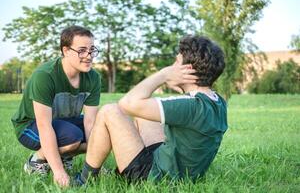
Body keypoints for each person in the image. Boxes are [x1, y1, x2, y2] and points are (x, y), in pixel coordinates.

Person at [74, 35, 227, 185]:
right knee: (145, 115)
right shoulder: (216, 102)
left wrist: (163, 75)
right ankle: (120, 168)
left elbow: (126, 103)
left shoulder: (190, 106)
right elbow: (191, 116)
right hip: (179, 171)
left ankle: (84, 179)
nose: (171, 66)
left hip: (155, 179)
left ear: (186, 70)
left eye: (176, 62)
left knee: (110, 110)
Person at [11, 25, 101, 187]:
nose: (88, 56)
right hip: (30, 126)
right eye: (81, 50)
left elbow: (90, 123)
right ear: (66, 51)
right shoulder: (45, 76)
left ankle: (65, 157)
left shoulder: (93, 78)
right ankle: (36, 161)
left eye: (91, 49)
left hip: (64, 121)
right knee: (73, 138)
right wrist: (59, 172)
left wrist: (92, 168)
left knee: (102, 131)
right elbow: (44, 126)